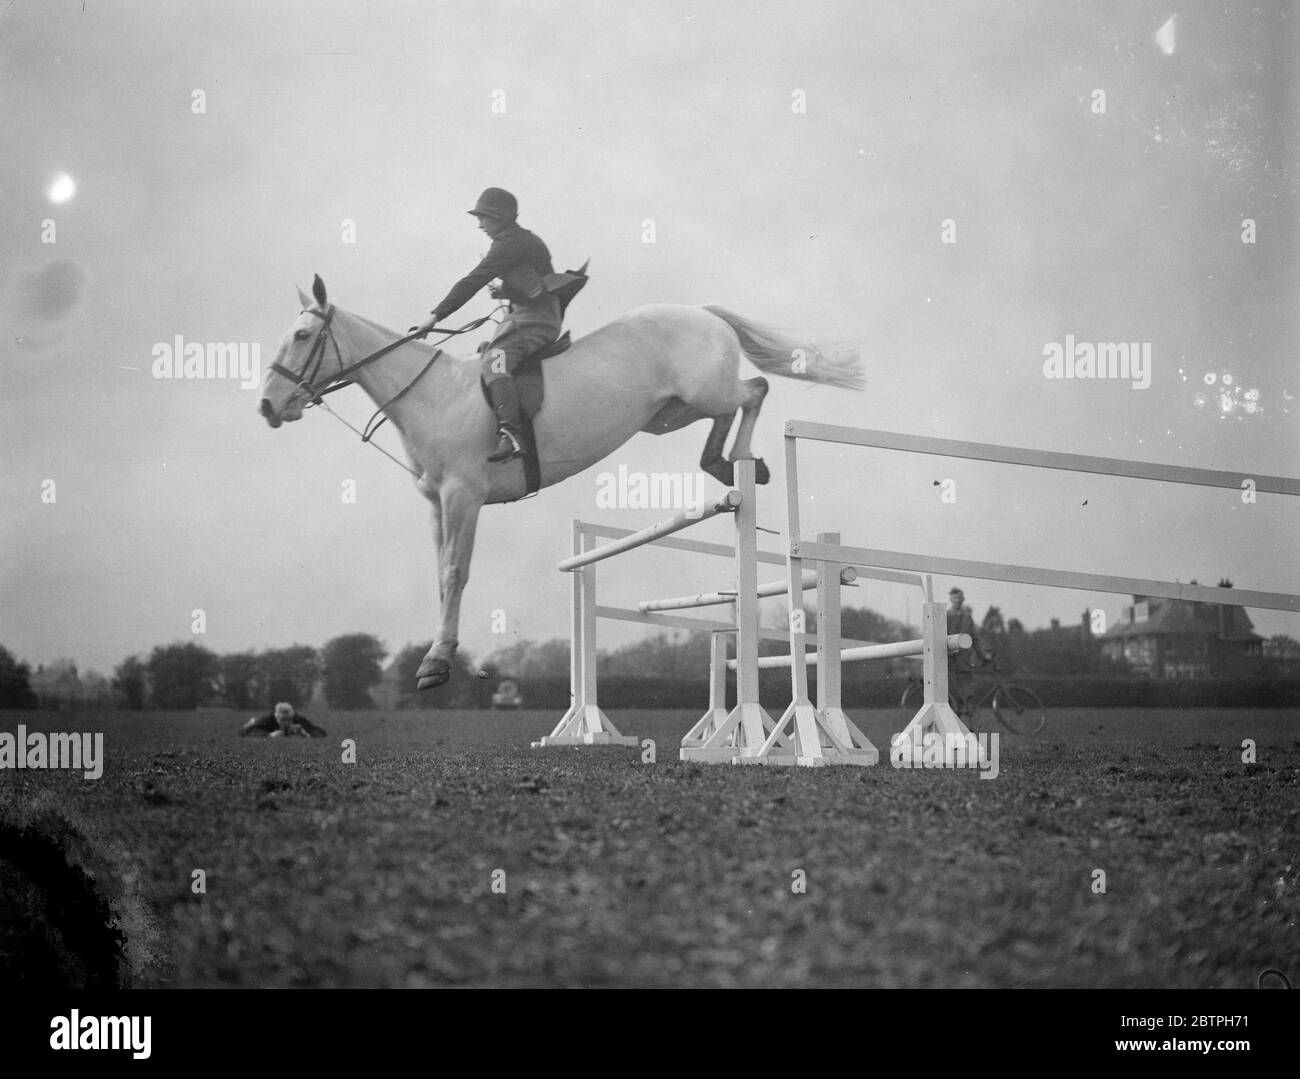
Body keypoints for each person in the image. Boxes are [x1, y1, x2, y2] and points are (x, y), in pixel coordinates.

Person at [414, 188, 564, 464]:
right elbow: (534, 281)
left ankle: (512, 432)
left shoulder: (510, 243)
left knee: (495, 359)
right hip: (529, 314)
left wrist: (435, 317)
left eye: (484, 218)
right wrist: (506, 291)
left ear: (501, 218)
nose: (480, 225)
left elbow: (474, 280)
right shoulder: (520, 240)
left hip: (536, 318)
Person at [946, 587, 991, 713]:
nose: (958, 601)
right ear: (951, 599)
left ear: (963, 599)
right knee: (950, 690)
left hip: (964, 659)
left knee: (966, 690)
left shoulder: (967, 617)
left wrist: (984, 655)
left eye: (960, 598)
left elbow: (975, 638)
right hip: (949, 659)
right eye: (955, 598)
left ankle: (965, 717)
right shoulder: (946, 616)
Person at [239, 702, 327, 738]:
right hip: (259, 723)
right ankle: (253, 720)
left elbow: (321, 732)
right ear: (276, 717)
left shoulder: (299, 719)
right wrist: (269, 735)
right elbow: (245, 732)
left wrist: (307, 734)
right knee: (253, 723)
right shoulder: (268, 720)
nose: (286, 723)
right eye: (283, 720)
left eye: (289, 719)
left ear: (293, 716)